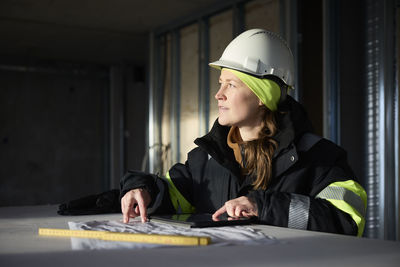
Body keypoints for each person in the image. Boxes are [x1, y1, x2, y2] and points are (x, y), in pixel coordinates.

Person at [120, 29, 367, 236]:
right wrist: (143, 190)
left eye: (231, 84)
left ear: (262, 95)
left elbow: (346, 220)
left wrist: (264, 206)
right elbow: (171, 193)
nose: (219, 94)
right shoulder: (207, 158)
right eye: (220, 84)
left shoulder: (319, 158)